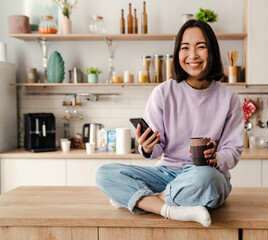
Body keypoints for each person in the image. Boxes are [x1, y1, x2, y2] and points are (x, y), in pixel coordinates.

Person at [95, 20, 244, 227]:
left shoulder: (229, 98)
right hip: (166, 174)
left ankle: (141, 200)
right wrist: (147, 146)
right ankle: (169, 209)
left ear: (212, 51)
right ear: (177, 53)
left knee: (207, 178)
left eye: (201, 47)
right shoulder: (163, 93)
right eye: (185, 48)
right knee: (104, 173)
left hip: (205, 175)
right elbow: (156, 150)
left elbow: (234, 150)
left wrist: (216, 157)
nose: (192, 55)